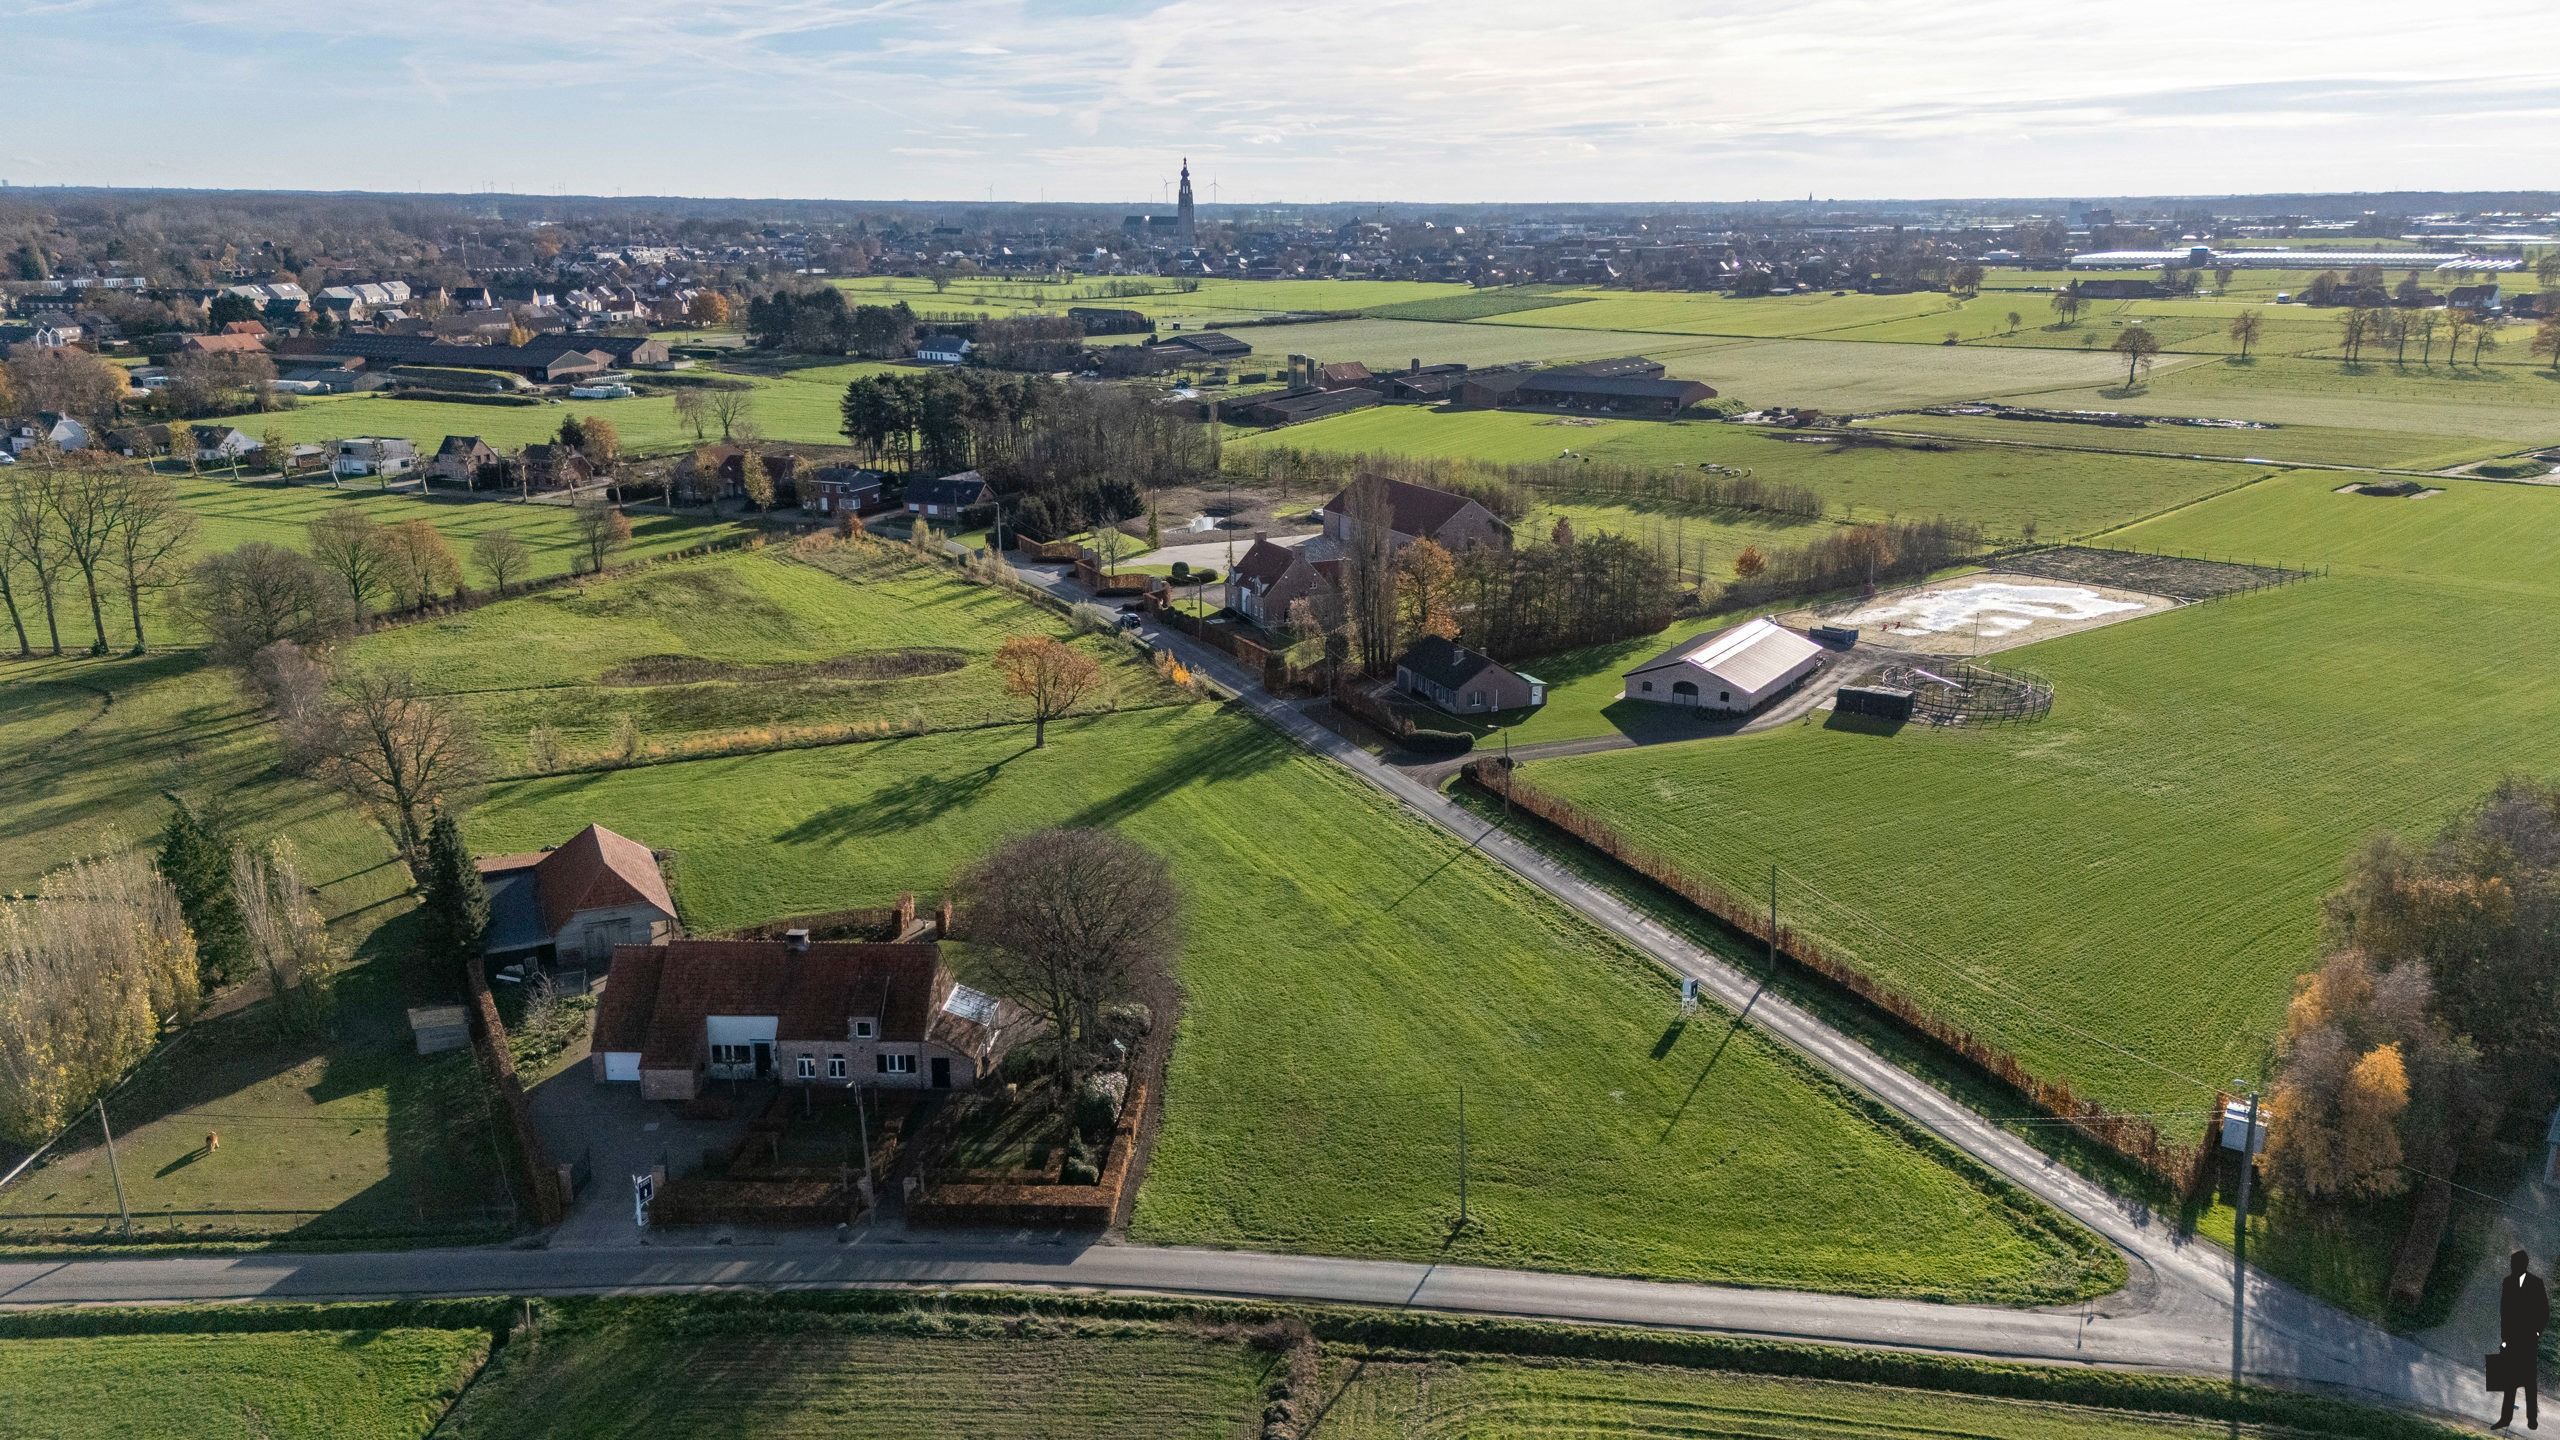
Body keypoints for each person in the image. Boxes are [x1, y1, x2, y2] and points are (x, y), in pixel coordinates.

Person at [2496, 1250, 2550, 1430]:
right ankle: (2505, 1418)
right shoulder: (2508, 1282)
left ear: (2523, 1265)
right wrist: (2504, 1337)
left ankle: (2532, 1419)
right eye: (2512, 1263)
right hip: (2511, 1338)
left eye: (2515, 1263)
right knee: (2510, 1380)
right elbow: (2504, 1311)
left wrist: (2536, 1332)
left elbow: (2544, 1311)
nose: (2512, 1266)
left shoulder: (2536, 1283)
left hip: (2528, 1339)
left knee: (2529, 1381)